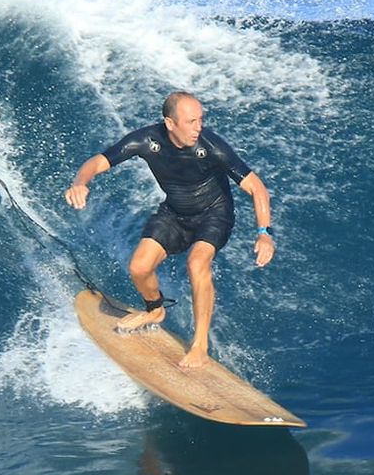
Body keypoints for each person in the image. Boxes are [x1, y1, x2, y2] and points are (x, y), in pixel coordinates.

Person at [64, 92, 275, 369]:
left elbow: (256, 188)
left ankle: (200, 346)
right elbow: (98, 161)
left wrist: (264, 233)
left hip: (214, 214)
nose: (198, 127)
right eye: (190, 121)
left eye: (200, 120)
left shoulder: (212, 147)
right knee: (139, 268)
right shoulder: (146, 141)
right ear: (170, 123)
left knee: (197, 262)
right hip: (175, 213)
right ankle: (154, 311)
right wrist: (80, 182)